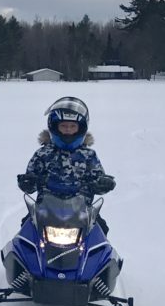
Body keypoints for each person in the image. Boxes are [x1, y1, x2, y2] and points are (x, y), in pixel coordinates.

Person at [17, 96, 115, 234]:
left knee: (102, 230)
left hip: (81, 214)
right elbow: (31, 180)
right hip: (45, 212)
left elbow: (97, 177)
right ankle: (20, 255)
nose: (68, 130)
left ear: (80, 128)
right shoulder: (43, 154)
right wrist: (27, 181)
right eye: (63, 126)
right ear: (54, 127)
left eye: (72, 126)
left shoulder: (89, 156)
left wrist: (103, 183)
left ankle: (104, 256)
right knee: (25, 230)